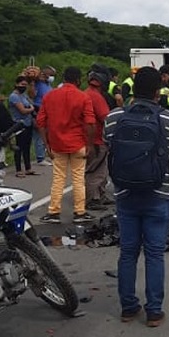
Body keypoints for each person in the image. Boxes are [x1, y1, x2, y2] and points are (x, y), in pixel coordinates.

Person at [104, 66, 169, 328]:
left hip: (124, 193)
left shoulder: (114, 117)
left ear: (132, 89)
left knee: (128, 252)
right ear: (158, 91)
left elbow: (107, 146)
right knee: (155, 253)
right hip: (158, 193)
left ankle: (128, 308)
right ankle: (154, 311)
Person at [36, 66, 96, 224]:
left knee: (58, 178)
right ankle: (80, 212)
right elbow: (90, 123)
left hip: (56, 144)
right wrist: (89, 144)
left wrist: (46, 144)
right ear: (78, 80)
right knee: (78, 178)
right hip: (78, 143)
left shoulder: (50, 96)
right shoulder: (83, 97)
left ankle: (54, 212)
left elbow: (41, 122)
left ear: (63, 78)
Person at [84, 67, 112, 211]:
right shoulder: (96, 96)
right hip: (96, 140)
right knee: (95, 171)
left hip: (91, 138)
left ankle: (99, 195)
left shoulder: (87, 93)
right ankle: (92, 199)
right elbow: (106, 117)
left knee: (100, 170)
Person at [8, 76, 37, 178]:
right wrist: (31, 109)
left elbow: (31, 101)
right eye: (22, 85)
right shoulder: (14, 96)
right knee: (19, 147)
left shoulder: (23, 95)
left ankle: (28, 168)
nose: (24, 87)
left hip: (28, 123)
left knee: (27, 146)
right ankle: (18, 169)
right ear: (17, 84)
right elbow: (23, 110)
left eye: (25, 85)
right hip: (19, 124)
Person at [32, 65, 56, 166]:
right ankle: (40, 157)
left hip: (48, 111)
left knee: (47, 135)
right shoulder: (37, 84)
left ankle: (47, 154)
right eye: (50, 75)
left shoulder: (48, 85)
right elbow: (32, 93)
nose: (51, 77)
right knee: (39, 135)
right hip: (38, 109)